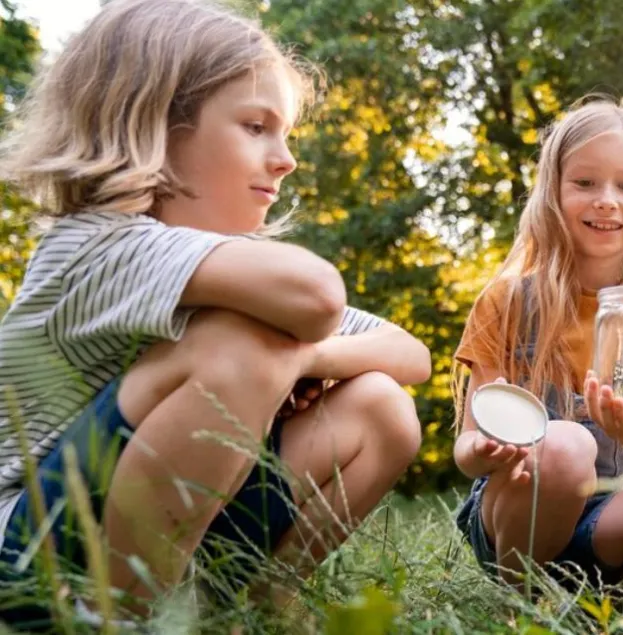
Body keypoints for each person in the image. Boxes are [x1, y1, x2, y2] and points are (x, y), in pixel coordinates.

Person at [0, 0, 430, 627]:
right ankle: (111, 619)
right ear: (156, 123)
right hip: (30, 553)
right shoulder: (93, 244)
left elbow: (409, 355)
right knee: (248, 344)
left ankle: (246, 612)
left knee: (383, 408)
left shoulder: (232, 275)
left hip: (151, 531)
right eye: (256, 127)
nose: (285, 159)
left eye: (284, 134)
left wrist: (302, 358)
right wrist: (280, 355)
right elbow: (316, 298)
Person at [451, 97, 623, 591]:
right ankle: (525, 605)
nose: (606, 199)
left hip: (601, 525)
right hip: (512, 518)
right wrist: (486, 449)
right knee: (565, 446)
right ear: (553, 195)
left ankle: (603, 606)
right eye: (584, 183)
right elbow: (468, 448)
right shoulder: (507, 303)